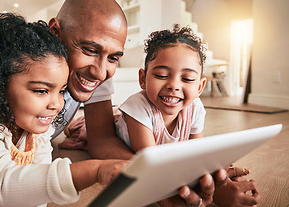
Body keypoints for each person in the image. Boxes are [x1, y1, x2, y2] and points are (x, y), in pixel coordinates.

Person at [48, 0, 224, 206]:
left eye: (113, 58)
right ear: (55, 32)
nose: (101, 72)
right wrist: (158, 180)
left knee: (85, 124)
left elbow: (102, 138)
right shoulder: (22, 73)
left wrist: (211, 185)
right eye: (89, 49)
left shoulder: (100, 78)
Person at [0, 13, 127, 207]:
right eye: (41, 91)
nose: (57, 104)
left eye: (61, 90)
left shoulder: (36, 132)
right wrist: (95, 170)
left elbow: (35, 189)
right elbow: (2, 185)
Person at [60, 24, 260, 206]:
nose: (173, 85)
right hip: (122, 126)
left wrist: (217, 174)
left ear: (200, 87)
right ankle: (74, 123)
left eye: (187, 78)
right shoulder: (138, 106)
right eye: (161, 75)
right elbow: (153, 162)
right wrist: (204, 182)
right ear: (142, 79)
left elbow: (195, 152)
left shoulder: (196, 108)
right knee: (80, 129)